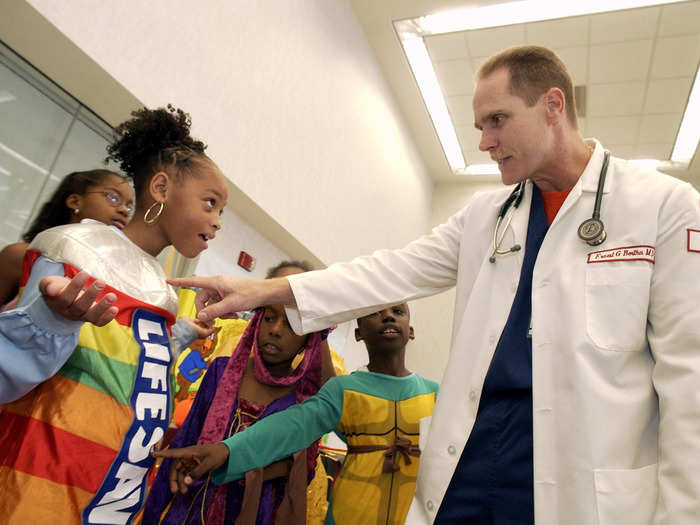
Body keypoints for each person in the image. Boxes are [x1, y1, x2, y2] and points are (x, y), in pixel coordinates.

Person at [168, 45, 700, 525]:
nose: (486, 142)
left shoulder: (662, 207)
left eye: (498, 120)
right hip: (475, 449)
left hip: (583, 464)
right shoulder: (486, 216)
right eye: (479, 127)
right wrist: (265, 293)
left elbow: (688, 377)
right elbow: (389, 271)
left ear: (553, 106)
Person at [0, 105, 229, 524]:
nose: (216, 223)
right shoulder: (73, 249)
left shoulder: (161, 288)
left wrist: (178, 336)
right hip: (42, 474)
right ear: (160, 188)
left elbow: (125, 366)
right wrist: (50, 321)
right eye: (210, 203)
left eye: (221, 213)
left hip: (112, 482)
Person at [153, 303, 438, 525]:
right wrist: (228, 449)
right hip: (349, 513)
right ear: (358, 332)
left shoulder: (438, 394)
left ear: (411, 329)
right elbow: (293, 426)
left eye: (398, 312)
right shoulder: (343, 389)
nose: (388, 317)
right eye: (375, 313)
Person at [142, 261, 336, 525]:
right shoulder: (221, 372)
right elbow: (186, 440)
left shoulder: (305, 401)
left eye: (292, 323)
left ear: (310, 335)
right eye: (269, 317)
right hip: (190, 506)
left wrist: (232, 462)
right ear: (257, 318)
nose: (276, 330)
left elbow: (303, 469)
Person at [0, 168, 135, 309]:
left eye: (130, 207)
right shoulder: (20, 255)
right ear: (75, 201)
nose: (124, 210)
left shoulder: (109, 277)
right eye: (113, 198)